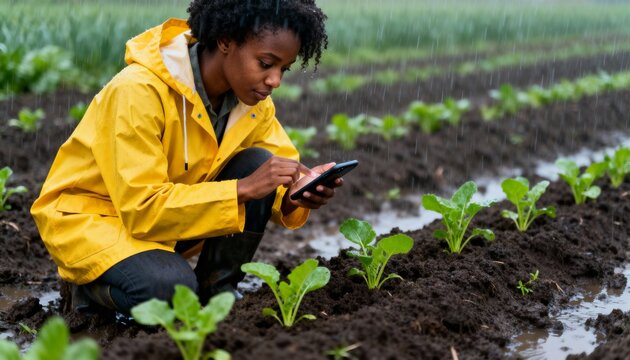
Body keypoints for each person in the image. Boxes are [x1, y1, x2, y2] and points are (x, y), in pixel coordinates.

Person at [31, 0, 338, 314]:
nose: (275, 80)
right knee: (169, 293)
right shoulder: (138, 91)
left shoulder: (252, 104)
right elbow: (142, 209)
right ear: (225, 41)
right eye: (265, 63)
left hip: (163, 224)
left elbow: (274, 177)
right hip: (94, 220)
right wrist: (242, 188)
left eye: (283, 69)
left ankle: (216, 294)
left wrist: (296, 196)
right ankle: (86, 290)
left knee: (261, 163)